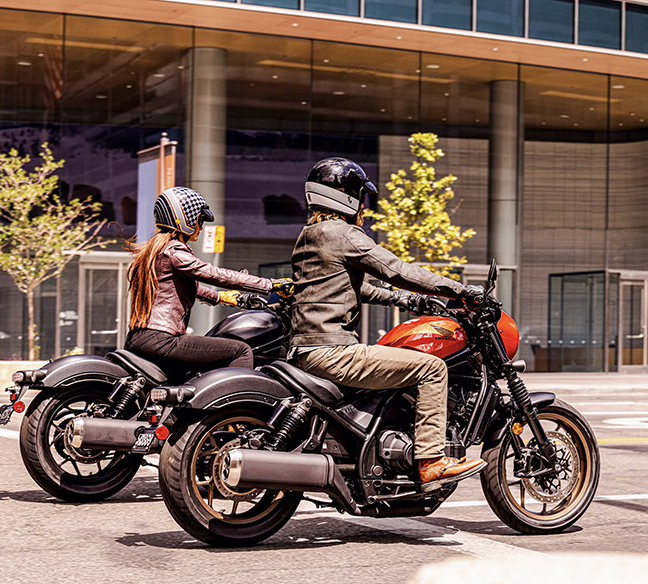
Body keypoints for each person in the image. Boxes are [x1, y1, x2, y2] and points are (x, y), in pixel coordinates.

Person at [289, 158, 486, 489]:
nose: (364, 207)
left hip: (303, 350)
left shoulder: (310, 235)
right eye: (361, 198)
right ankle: (431, 461)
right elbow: (398, 270)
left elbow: (348, 287)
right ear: (348, 198)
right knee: (433, 369)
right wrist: (462, 290)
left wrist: (405, 300)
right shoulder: (344, 234)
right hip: (334, 351)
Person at [124, 186, 290, 376]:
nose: (201, 227)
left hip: (140, 338)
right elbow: (214, 274)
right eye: (199, 220)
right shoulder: (175, 251)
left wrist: (224, 298)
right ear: (183, 219)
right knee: (241, 350)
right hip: (162, 339)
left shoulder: (155, 251)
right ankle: (235, 405)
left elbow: (180, 288)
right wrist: (271, 285)